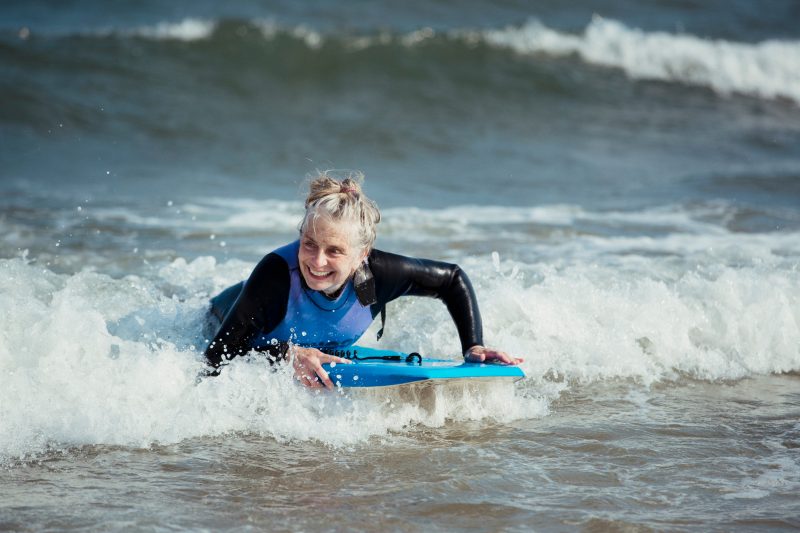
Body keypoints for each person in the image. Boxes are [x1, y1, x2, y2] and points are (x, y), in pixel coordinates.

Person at [204, 171, 522, 388]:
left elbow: (451, 279)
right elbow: (215, 358)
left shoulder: (379, 275)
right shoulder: (276, 277)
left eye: (335, 251)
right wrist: (286, 356)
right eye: (309, 243)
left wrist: (473, 345)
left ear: (362, 255)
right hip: (223, 318)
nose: (317, 261)